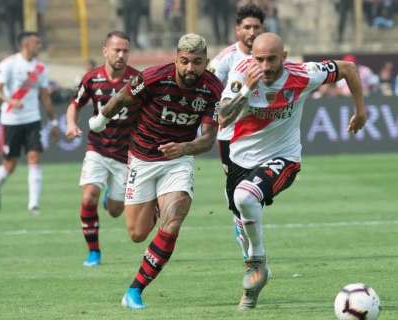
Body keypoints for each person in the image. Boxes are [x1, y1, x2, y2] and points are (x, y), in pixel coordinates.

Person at [218, 32, 366, 310]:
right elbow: (224, 115)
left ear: (284, 57)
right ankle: (256, 276)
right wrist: (247, 90)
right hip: (240, 159)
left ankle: (257, 261)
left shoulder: (304, 74)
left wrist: (360, 111)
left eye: (271, 59)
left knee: (245, 197)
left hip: (282, 158)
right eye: (259, 59)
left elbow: (348, 69)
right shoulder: (241, 74)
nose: (264, 66)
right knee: (240, 218)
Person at [89, 33, 223, 309]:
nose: (190, 68)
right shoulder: (153, 77)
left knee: (174, 219)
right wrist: (101, 120)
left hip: (178, 161)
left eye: (197, 62)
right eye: (184, 61)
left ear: (205, 62)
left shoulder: (213, 89)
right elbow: (122, 98)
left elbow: (208, 139)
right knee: (137, 234)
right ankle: (154, 205)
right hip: (141, 159)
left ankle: (135, 290)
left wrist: (184, 148)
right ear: (176, 58)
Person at [66, 31, 140, 267]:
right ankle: (94, 252)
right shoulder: (92, 78)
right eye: (116, 50)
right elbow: (74, 105)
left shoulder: (138, 80)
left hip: (125, 154)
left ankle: (112, 198)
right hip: (97, 148)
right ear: (105, 51)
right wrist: (70, 124)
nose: (121, 55)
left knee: (116, 211)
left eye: (125, 50)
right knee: (88, 197)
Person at [208, 3, 265, 260]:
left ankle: (245, 224)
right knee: (239, 192)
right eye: (247, 27)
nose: (252, 32)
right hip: (230, 134)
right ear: (237, 30)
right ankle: (246, 242)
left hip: (261, 133)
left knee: (255, 190)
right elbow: (208, 93)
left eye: (256, 27)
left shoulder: (268, 55)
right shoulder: (224, 60)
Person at [0, 31, 60, 215]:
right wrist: (9, 100)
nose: (40, 45)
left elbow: (45, 97)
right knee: (9, 165)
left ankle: (33, 205)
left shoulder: (40, 68)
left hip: (32, 120)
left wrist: (53, 123)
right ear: (26, 45)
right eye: (37, 42)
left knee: (34, 157)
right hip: (11, 121)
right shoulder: (9, 64)